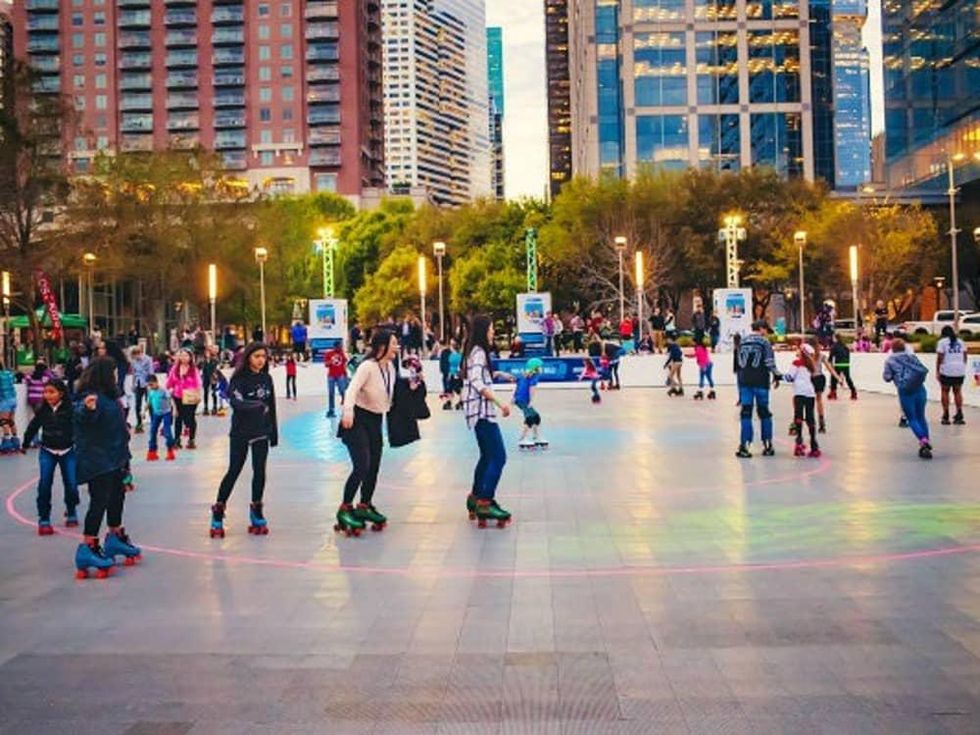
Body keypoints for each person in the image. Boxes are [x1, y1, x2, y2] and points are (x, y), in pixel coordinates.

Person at [73, 357, 140, 578]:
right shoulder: (90, 397)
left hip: (116, 457)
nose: (116, 376)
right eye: (113, 373)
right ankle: (88, 545)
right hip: (98, 459)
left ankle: (115, 536)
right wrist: (88, 410)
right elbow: (81, 417)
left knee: (117, 497)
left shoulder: (111, 397)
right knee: (99, 501)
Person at [210, 342, 278, 538]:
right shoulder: (238, 379)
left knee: (259, 471)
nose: (260, 360)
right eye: (256, 356)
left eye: (263, 357)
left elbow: (271, 405)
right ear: (248, 357)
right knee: (234, 470)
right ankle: (218, 511)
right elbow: (237, 402)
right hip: (241, 431)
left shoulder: (267, 378)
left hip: (261, 431)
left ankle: (256, 510)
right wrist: (258, 406)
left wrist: (273, 432)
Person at [335, 330, 398, 536]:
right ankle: (345, 507)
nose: (397, 348)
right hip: (356, 420)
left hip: (375, 420)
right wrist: (348, 411)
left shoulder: (390, 368)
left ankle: (364, 504)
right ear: (382, 347)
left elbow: (392, 393)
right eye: (394, 344)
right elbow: (351, 389)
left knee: (374, 466)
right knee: (362, 465)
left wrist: (415, 384)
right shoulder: (367, 367)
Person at [463, 315, 514, 528]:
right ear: (484, 331)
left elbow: (479, 375)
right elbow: (476, 380)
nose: (493, 333)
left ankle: (475, 497)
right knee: (499, 457)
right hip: (482, 412)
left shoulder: (474, 352)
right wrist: (500, 403)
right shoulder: (479, 353)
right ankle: (485, 500)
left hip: (475, 412)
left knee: (486, 456)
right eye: (492, 329)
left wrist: (500, 374)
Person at [22, 379, 79, 534]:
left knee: (72, 484)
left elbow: (78, 427)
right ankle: (44, 518)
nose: (47, 395)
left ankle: (71, 509)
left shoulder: (70, 409)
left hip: (67, 450)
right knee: (45, 484)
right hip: (47, 450)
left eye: (51, 392)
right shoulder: (43, 409)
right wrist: (26, 442)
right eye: (45, 392)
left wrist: (81, 444)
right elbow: (33, 426)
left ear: (60, 393)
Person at [736, 320, 782, 458]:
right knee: (764, 412)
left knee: (746, 412)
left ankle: (744, 445)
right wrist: (776, 375)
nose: (766, 333)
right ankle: (767, 444)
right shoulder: (764, 342)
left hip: (745, 381)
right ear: (761, 329)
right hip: (761, 381)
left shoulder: (742, 342)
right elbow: (769, 362)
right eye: (766, 330)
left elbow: (739, 364)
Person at [883, 338, 933, 459]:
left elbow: (887, 377)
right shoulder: (912, 357)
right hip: (920, 389)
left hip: (905, 391)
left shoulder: (890, 360)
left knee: (912, 418)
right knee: (921, 416)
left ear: (892, 349)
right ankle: (926, 440)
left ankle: (923, 442)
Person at [783, 343, 820, 458]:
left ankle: (799, 443)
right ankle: (814, 445)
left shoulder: (796, 363)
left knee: (798, 417)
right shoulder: (812, 365)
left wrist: (778, 376)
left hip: (799, 392)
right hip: (810, 393)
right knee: (810, 418)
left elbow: (790, 377)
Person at [167, 348, 202, 449]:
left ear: (190, 357)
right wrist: (168, 389)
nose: (183, 358)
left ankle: (191, 439)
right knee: (178, 418)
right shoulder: (175, 368)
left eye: (186, 355)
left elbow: (198, 383)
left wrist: (198, 395)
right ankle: (177, 440)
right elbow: (170, 382)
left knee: (189, 418)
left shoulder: (194, 369)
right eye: (181, 355)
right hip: (178, 396)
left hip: (190, 396)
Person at [936, 325, 968, 426]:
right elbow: (965, 356)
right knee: (957, 391)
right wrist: (961, 366)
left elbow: (940, 357)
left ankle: (946, 415)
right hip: (959, 369)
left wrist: (938, 370)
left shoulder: (942, 342)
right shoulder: (961, 341)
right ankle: (959, 413)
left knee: (945, 391)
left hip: (947, 369)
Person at [808, 337, 840, 435]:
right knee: (819, 400)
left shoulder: (807, 356)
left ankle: (811, 422)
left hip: (810, 379)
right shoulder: (821, 356)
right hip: (820, 378)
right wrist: (838, 378)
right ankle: (821, 423)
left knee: (809, 401)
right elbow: (830, 368)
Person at [515, 357, 547, 450]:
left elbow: (519, 386)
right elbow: (531, 389)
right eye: (540, 367)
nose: (542, 368)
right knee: (530, 418)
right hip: (524, 400)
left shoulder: (526, 374)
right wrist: (531, 402)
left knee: (536, 417)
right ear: (536, 368)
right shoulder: (535, 376)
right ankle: (522, 439)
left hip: (520, 399)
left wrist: (514, 398)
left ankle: (536, 437)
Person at [145, 374, 177, 462]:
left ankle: (170, 450)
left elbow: (171, 400)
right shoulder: (150, 391)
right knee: (152, 431)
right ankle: (152, 452)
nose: (150, 387)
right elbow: (149, 401)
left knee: (167, 432)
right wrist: (143, 411)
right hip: (156, 414)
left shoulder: (163, 391)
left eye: (151, 384)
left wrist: (174, 410)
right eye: (149, 385)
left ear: (156, 382)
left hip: (166, 412)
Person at [130, 345, 154, 432]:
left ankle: (153, 422)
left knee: (150, 404)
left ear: (139, 353)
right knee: (137, 405)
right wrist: (133, 384)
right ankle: (139, 423)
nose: (135, 358)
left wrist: (150, 384)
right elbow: (134, 373)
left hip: (147, 383)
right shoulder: (133, 361)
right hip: (138, 383)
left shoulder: (148, 359)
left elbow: (151, 372)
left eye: (135, 356)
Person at [828, 333, 857, 401]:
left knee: (834, 378)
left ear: (835, 338)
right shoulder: (845, 346)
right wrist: (847, 363)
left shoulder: (834, 346)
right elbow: (848, 355)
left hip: (838, 364)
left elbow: (831, 357)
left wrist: (830, 365)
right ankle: (853, 392)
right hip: (846, 364)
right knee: (848, 378)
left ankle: (833, 393)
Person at [324, 342, 349, 418]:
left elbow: (344, 364)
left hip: (340, 375)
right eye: (339, 346)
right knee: (331, 393)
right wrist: (332, 361)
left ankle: (346, 408)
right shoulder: (328, 354)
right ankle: (331, 409)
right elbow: (326, 364)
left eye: (341, 347)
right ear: (335, 347)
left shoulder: (342, 354)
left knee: (342, 391)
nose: (341, 348)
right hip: (331, 376)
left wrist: (345, 375)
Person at [0, 361, 19, 453]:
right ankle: (15, 442)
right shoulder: (8, 373)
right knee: (11, 421)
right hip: (13, 399)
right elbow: (14, 380)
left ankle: (7, 443)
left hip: (4, 400)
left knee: (4, 421)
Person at [199, 348, 220, 416]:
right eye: (206, 353)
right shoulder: (203, 361)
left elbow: (216, 369)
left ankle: (215, 407)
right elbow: (200, 369)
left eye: (208, 352)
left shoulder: (215, 360)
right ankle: (206, 407)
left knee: (214, 393)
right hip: (206, 378)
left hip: (212, 378)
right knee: (206, 393)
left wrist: (215, 375)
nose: (207, 354)